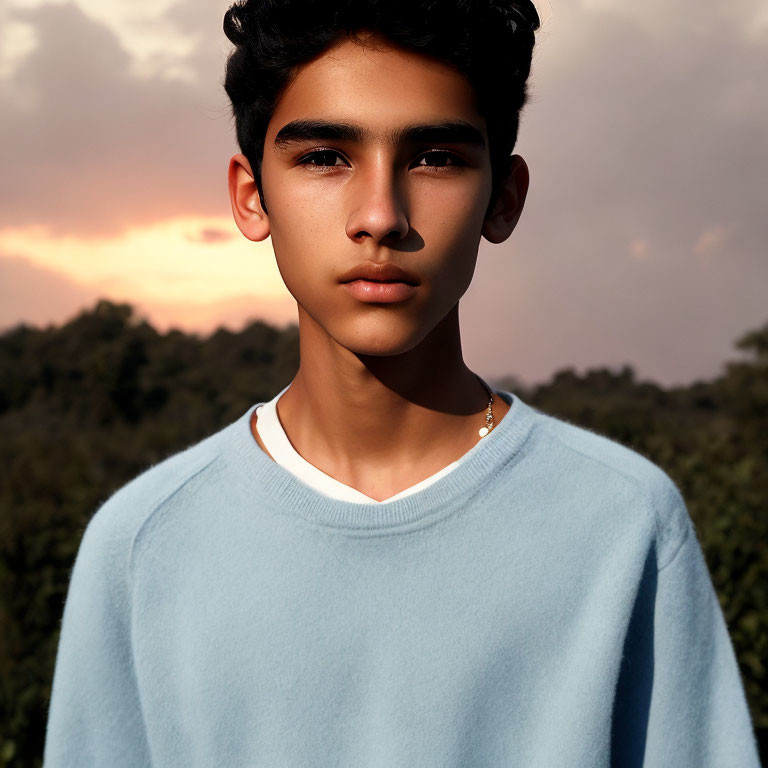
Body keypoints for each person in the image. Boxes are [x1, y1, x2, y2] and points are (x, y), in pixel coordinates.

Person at [44, 0, 761, 765]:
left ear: (504, 198)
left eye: (436, 157)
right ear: (252, 196)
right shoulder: (142, 543)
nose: (380, 216)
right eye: (324, 156)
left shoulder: (624, 523)